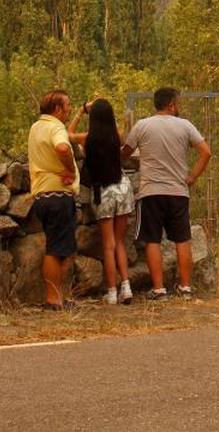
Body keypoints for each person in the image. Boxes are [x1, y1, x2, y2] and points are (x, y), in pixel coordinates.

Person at [121, 87, 211, 300]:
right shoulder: (185, 125)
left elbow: (125, 153)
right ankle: (185, 288)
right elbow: (206, 152)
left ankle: (159, 289)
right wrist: (192, 177)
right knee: (182, 239)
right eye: (177, 103)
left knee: (152, 240)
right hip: (178, 191)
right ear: (171, 104)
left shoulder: (142, 125)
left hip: (151, 191)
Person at [67, 97, 134, 305]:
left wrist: (80, 111)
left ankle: (112, 291)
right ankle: (127, 286)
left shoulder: (88, 138)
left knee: (108, 245)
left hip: (102, 192)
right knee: (120, 242)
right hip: (122, 187)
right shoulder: (117, 137)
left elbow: (67, 134)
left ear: (93, 118)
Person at [27, 89, 80, 310]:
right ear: (57, 109)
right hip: (58, 195)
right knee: (57, 249)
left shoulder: (36, 127)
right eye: (67, 106)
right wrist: (69, 167)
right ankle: (53, 299)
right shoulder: (55, 127)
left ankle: (56, 297)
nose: (69, 110)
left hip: (41, 194)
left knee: (56, 246)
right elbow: (61, 147)